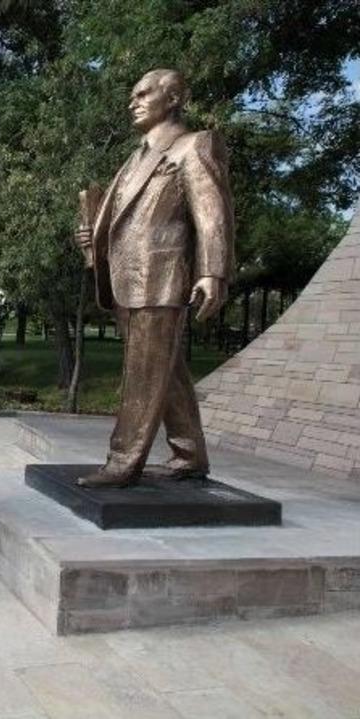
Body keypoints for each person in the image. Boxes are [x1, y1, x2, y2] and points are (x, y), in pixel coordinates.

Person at [74, 69, 234, 488]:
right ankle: (190, 454)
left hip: (161, 276)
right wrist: (94, 236)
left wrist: (212, 271)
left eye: (144, 93)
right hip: (126, 277)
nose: (134, 102)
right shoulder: (135, 157)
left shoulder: (192, 146)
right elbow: (124, 220)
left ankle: (122, 460)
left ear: (174, 97)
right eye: (133, 95)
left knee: (143, 371)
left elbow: (212, 213)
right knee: (168, 369)